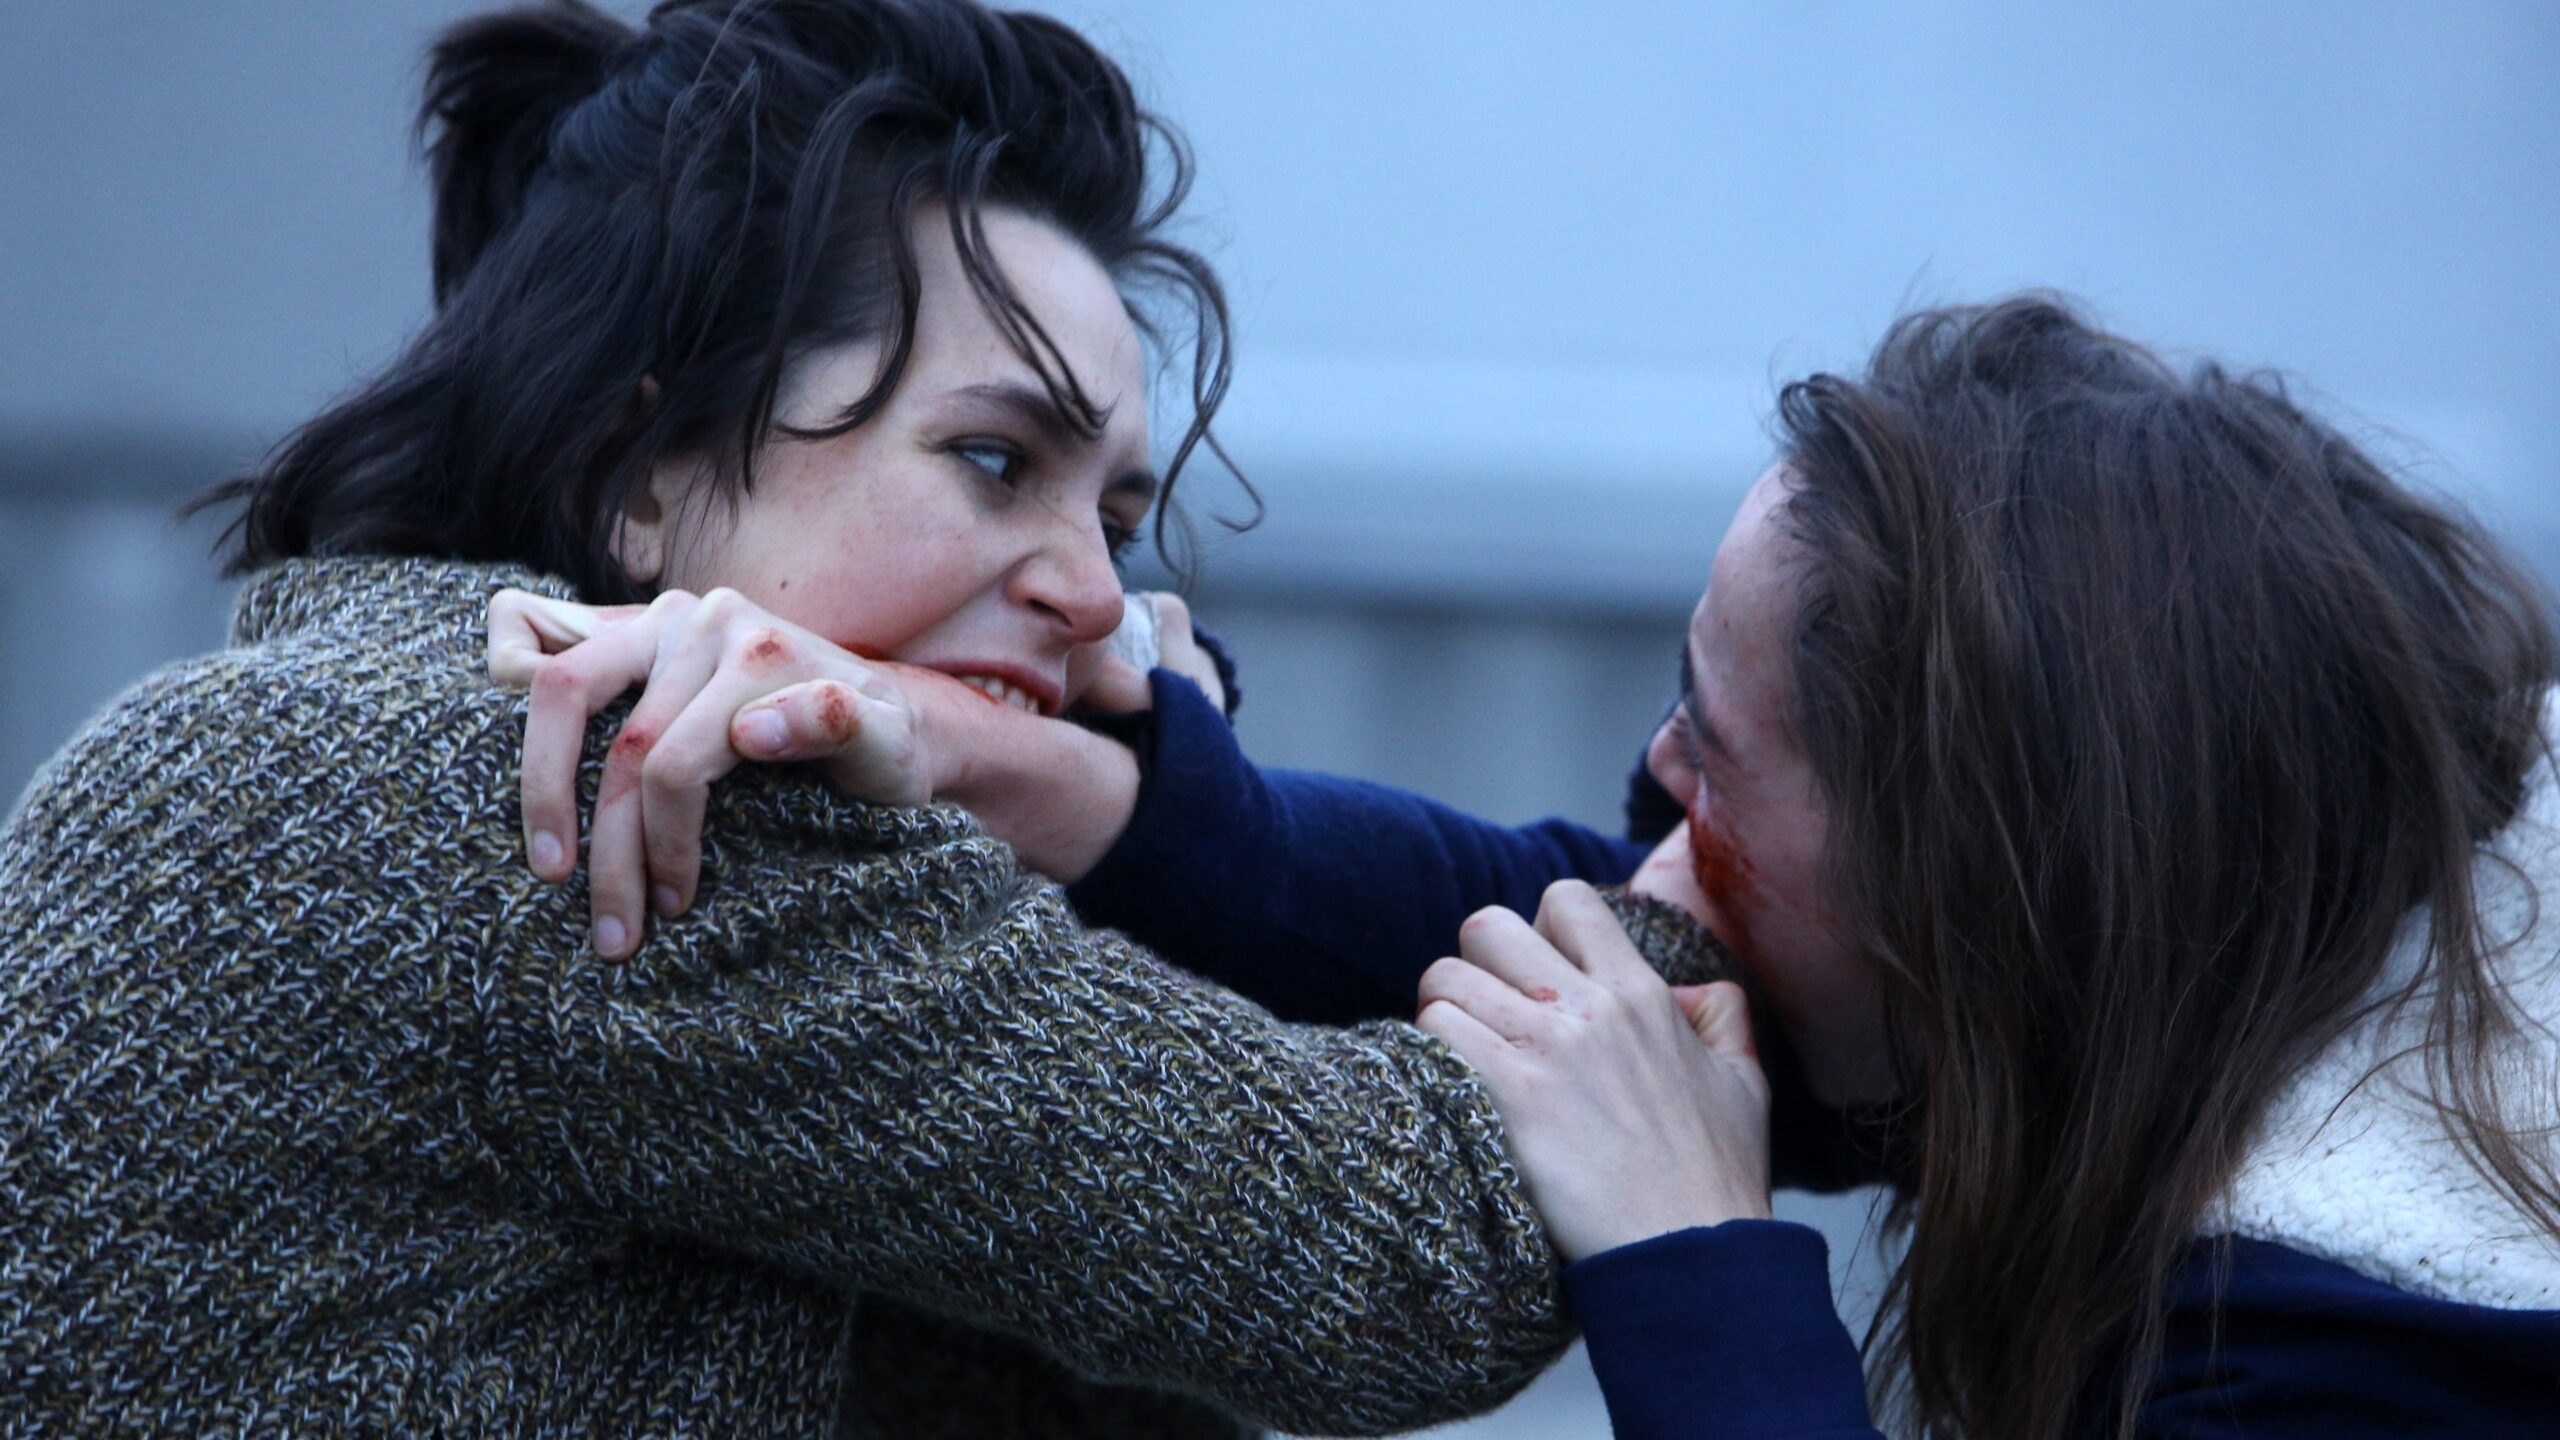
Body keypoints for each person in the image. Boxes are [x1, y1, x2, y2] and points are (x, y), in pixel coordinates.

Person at [0, 2, 1735, 1434]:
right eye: (994, 459)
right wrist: (1738, 893)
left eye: (1117, 522)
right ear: (644, 467)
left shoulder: (291, 717)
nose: (1100, 605)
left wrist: (1072, 794)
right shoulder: (621, 786)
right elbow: (1400, 1260)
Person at [518, 298, 2560, 1437]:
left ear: (1976, 890)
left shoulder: (2383, 1345)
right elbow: (1561, 894)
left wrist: (1695, 1259)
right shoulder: (2272, 924)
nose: (1653, 782)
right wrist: (1039, 772)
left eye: (1713, 752)